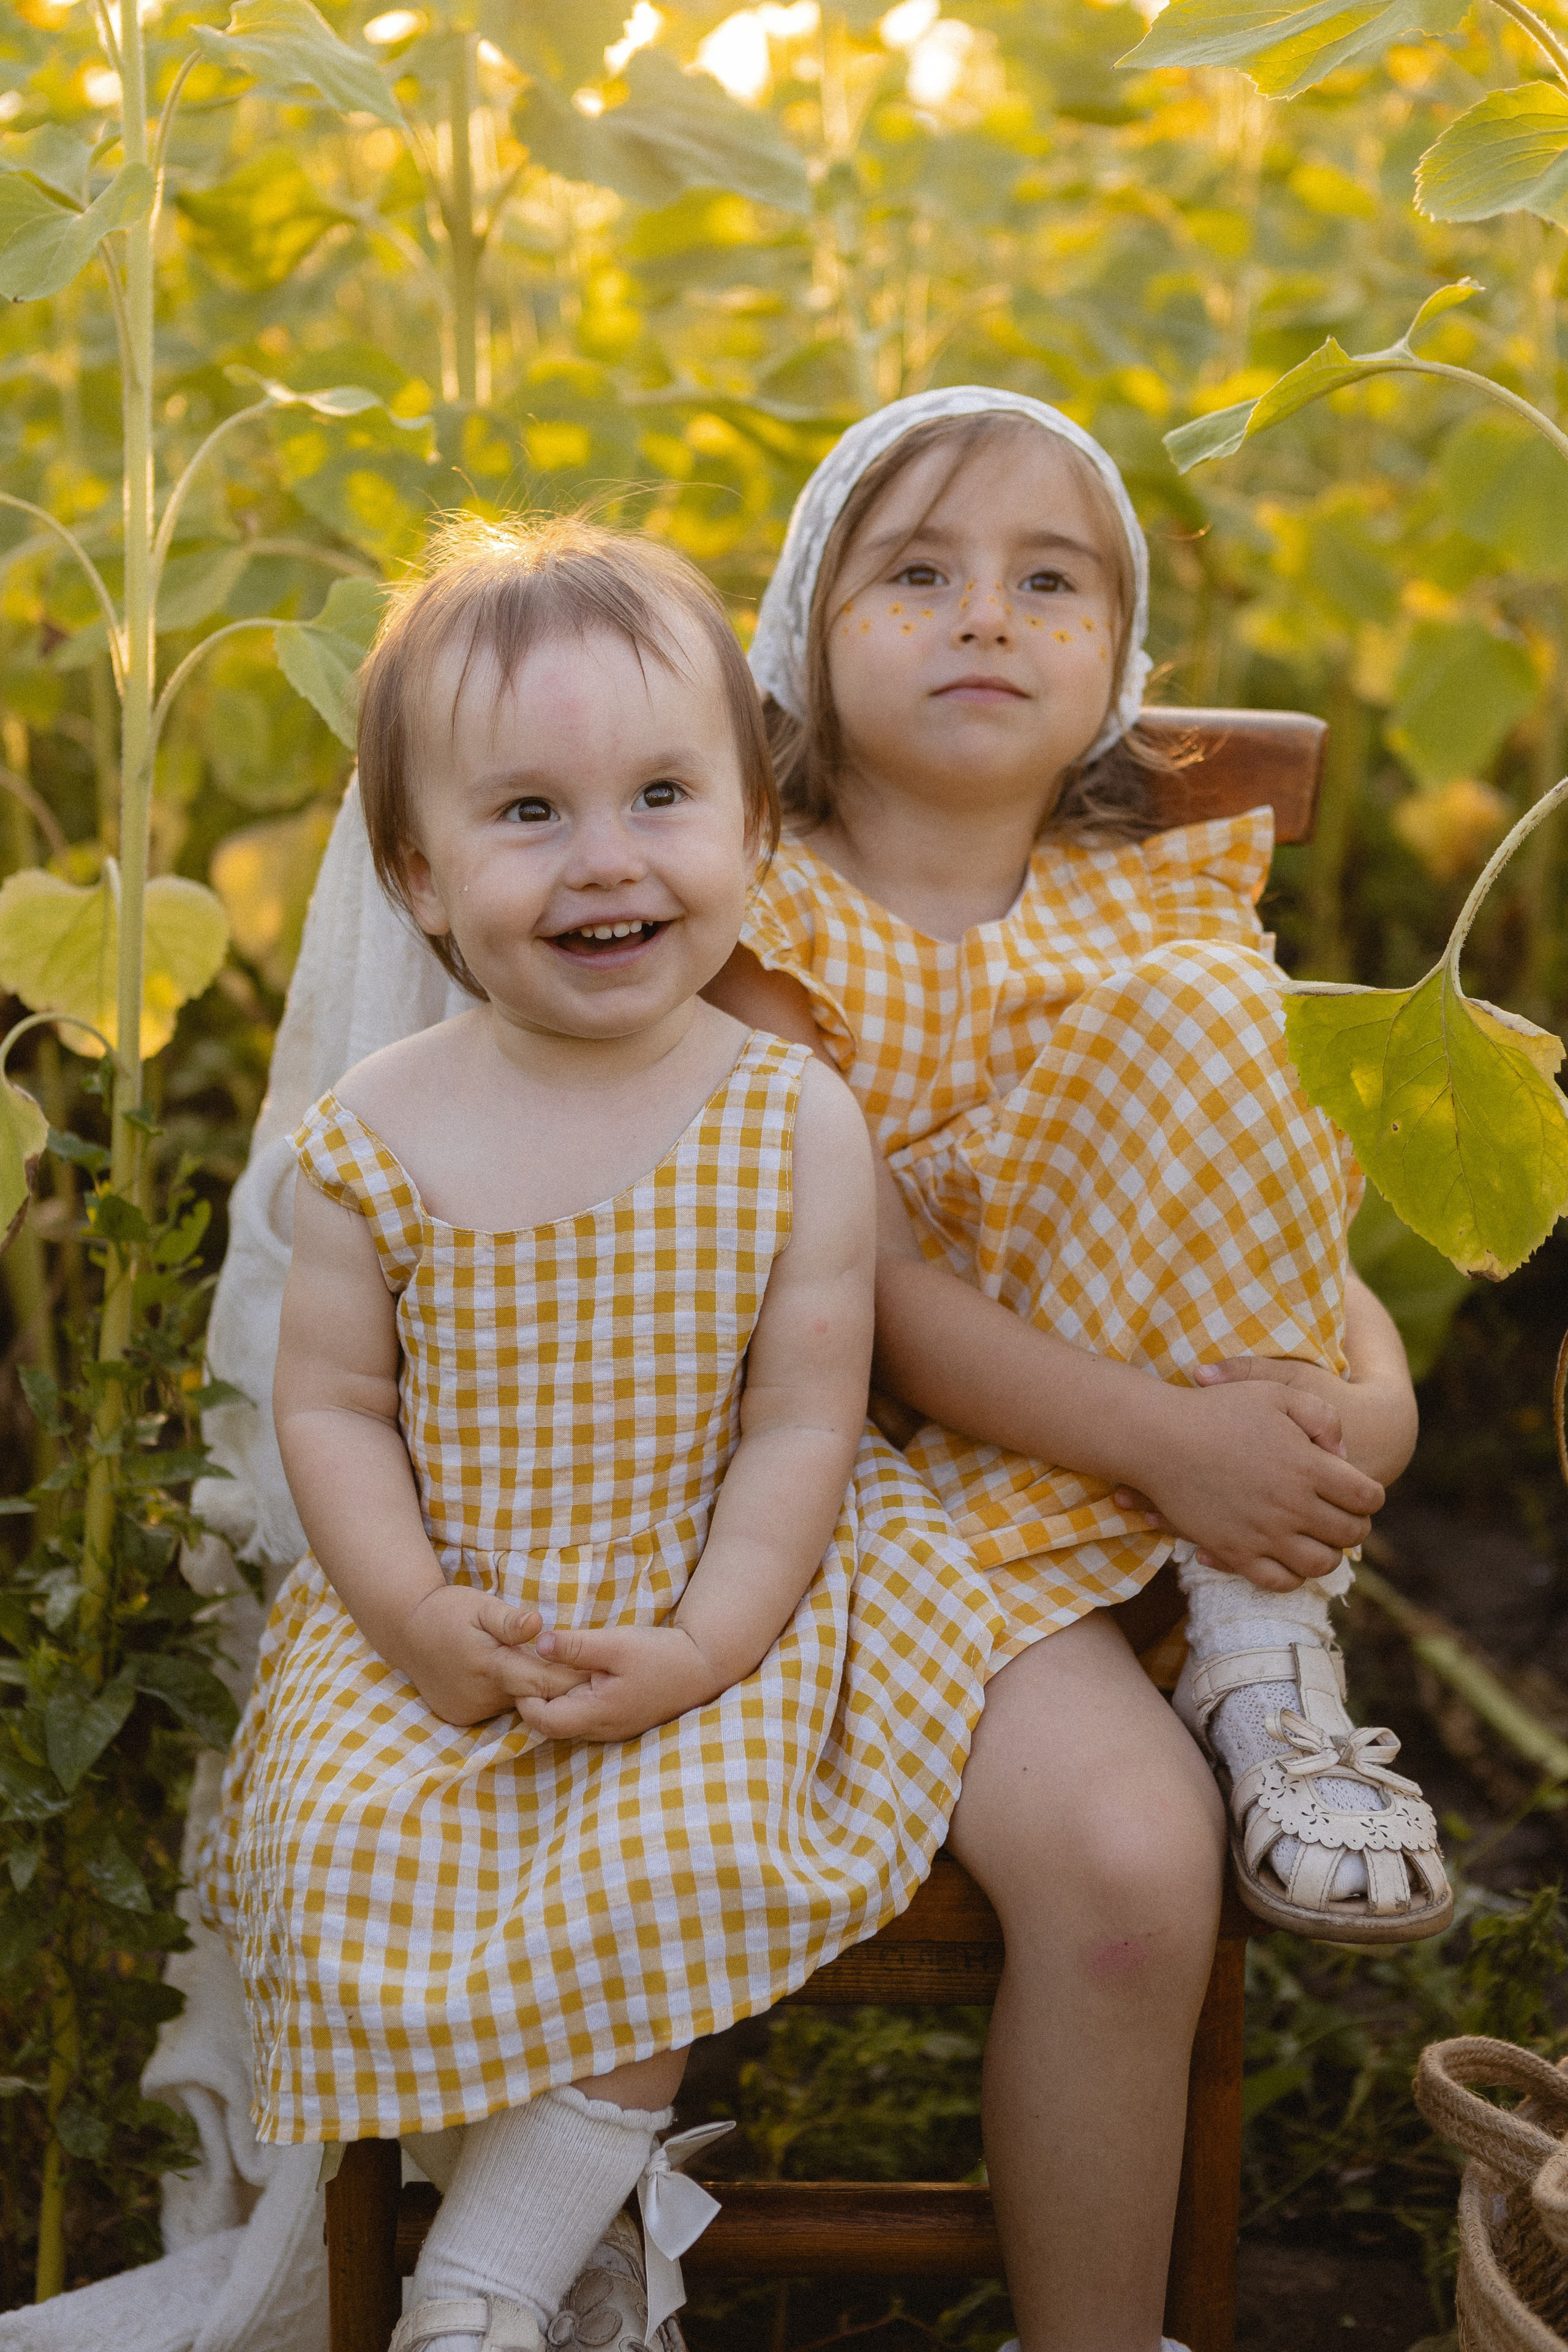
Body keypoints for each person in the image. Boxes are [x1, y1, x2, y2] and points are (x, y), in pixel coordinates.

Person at [194, 515, 1001, 2352]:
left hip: (717, 1593)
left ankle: (483, 2288)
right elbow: (333, 1406)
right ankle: (551, 2237)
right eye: (529, 814)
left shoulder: (787, 1116)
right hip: (442, 1595)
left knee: (670, 1864)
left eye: (660, 796)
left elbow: (801, 1421)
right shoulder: (378, 1130)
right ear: (419, 874)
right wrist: (415, 1615)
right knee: (330, 1852)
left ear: (753, 829)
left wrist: (706, 1644)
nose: (608, 861)